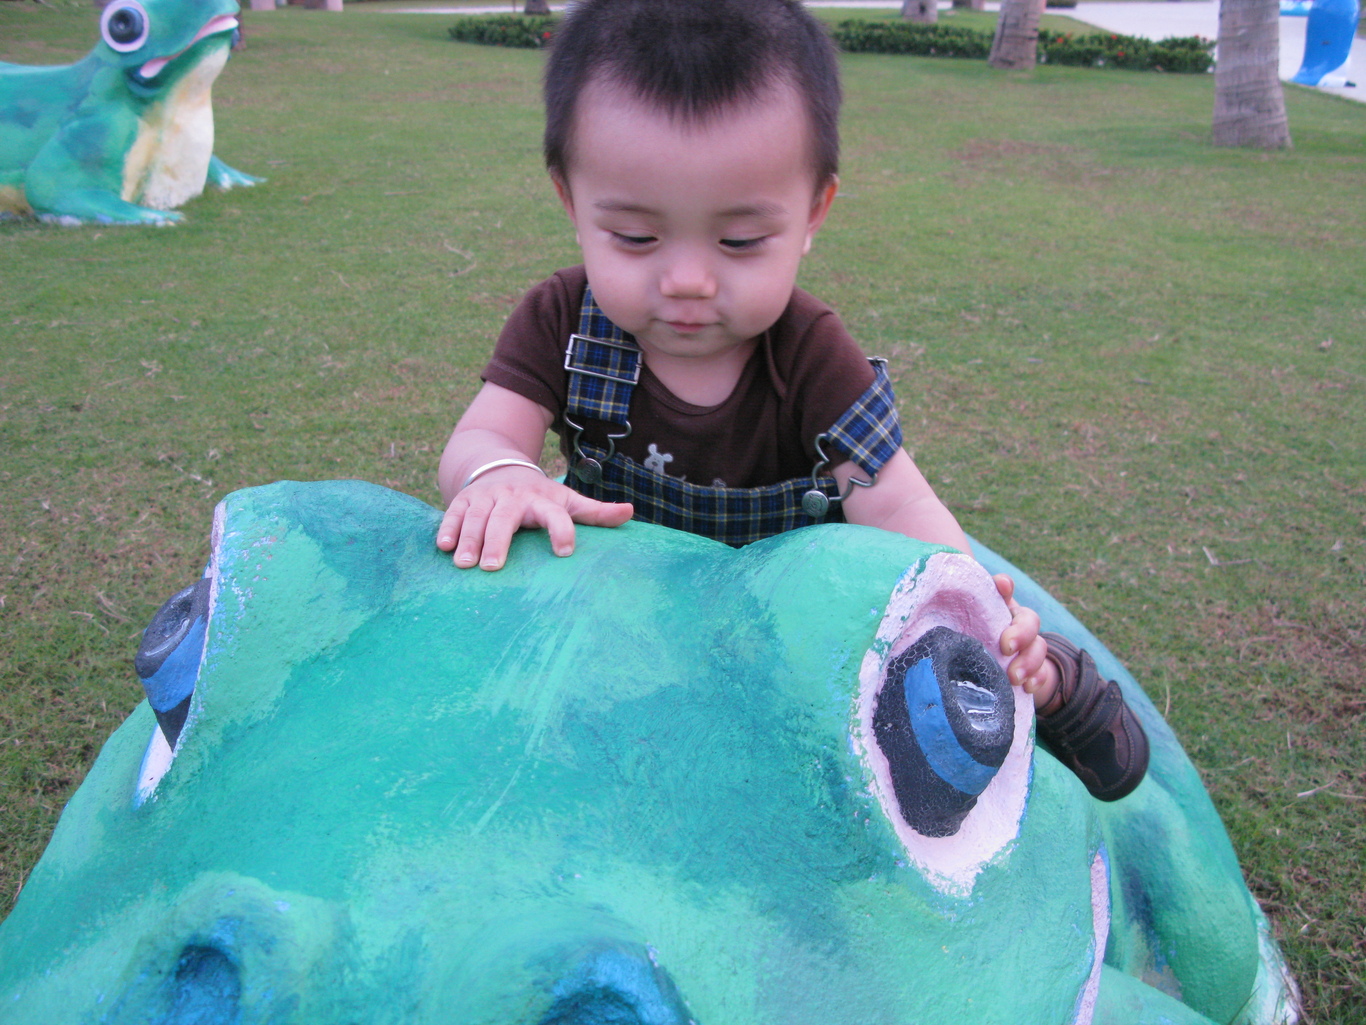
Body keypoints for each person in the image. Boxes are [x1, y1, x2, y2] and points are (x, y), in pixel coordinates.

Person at [435, 0, 1147, 799]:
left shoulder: (811, 355)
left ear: (812, 214)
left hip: (791, 637)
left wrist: (973, 608)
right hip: (623, 615)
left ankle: (1050, 672)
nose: (688, 280)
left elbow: (897, 504)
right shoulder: (564, 322)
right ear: (572, 202)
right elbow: (482, 435)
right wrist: (499, 473)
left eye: (740, 241)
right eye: (636, 237)